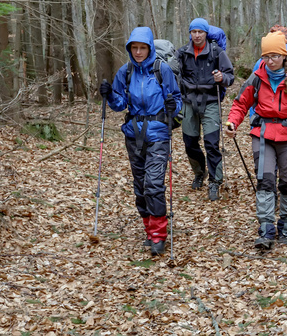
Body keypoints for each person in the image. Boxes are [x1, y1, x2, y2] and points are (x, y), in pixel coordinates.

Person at [99, 27, 183, 255]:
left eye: (142, 48)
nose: (138, 52)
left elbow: (177, 98)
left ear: (149, 48)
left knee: (153, 184)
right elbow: (119, 104)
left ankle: (159, 235)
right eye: (134, 48)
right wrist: (108, 95)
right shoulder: (125, 72)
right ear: (129, 49)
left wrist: (173, 107)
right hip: (134, 134)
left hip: (158, 133)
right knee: (140, 187)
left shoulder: (161, 70)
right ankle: (149, 230)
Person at [226, 32, 287, 250]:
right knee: (265, 181)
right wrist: (232, 123)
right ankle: (266, 229)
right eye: (266, 56)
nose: (270, 61)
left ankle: (286, 224)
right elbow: (240, 104)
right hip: (263, 133)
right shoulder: (256, 78)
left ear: (284, 56)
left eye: (274, 56)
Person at [176, 18, 235, 201]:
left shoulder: (217, 52)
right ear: (190, 33)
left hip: (210, 101)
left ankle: (215, 180)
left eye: (200, 32)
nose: (197, 35)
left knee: (211, 142)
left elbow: (230, 76)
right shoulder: (183, 53)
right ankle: (199, 172)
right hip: (188, 102)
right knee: (190, 143)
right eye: (194, 32)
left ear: (206, 33)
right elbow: (173, 71)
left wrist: (221, 78)